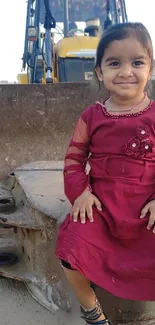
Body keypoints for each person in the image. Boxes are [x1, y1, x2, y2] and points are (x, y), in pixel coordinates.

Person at [56, 22, 155, 325]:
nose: (126, 71)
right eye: (114, 63)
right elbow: (73, 161)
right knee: (70, 247)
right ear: (99, 72)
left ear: (149, 69)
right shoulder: (91, 116)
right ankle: (92, 311)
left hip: (145, 211)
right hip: (103, 209)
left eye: (137, 62)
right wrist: (81, 193)